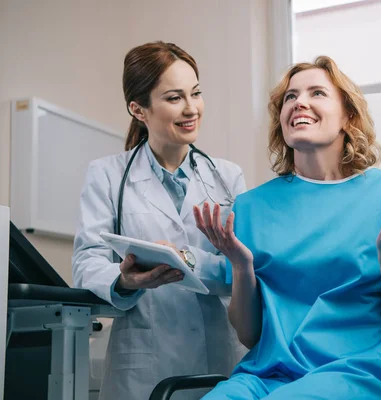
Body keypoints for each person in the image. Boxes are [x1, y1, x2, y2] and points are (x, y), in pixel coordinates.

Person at [194, 55, 381, 399]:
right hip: (267, 376)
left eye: (317, 93)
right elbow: (249, 336)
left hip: (360, 372)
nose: (299, 102)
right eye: (290, 97)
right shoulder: (250, 208)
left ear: (348, 116)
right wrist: (241, 266)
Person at [72, 41, 246, 400]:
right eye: (174, 98)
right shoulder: (106, 175)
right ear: (138, 109)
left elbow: (242, 266)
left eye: (195, 93)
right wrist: (124, 279)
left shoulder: (228, 178)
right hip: (145, 365)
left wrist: (189, 262)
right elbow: (86, 261)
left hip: (221, 360)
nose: (191, 108)